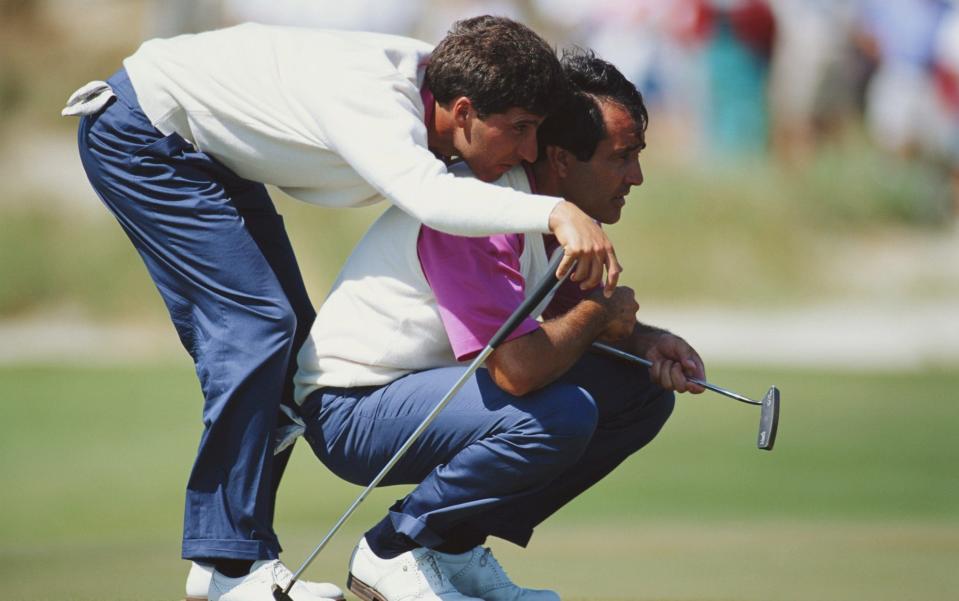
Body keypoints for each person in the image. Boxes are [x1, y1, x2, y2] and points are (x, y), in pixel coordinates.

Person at [64, 16, 622, 601]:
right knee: (258, 330)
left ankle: (232, 561)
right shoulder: (377, 103)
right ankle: (228, 567)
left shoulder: (451, 87)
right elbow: (432, 200)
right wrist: (556, 211)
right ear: (461, 112)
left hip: (202, 149)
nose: (529, 149)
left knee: (281, 341)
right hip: (142, 133)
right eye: (522, 129)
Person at [293, 48, 706, 601]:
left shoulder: (560, 219)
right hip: (352, 409)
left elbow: (572, 327)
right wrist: (604, 313)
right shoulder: (484, 210)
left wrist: (646, 342)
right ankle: (392, 549)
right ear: (560, 160)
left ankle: (451, 550)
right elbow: (517, 371)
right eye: (622, 156)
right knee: (557, 414)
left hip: (431, 397)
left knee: (638, 391)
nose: (636, 176)